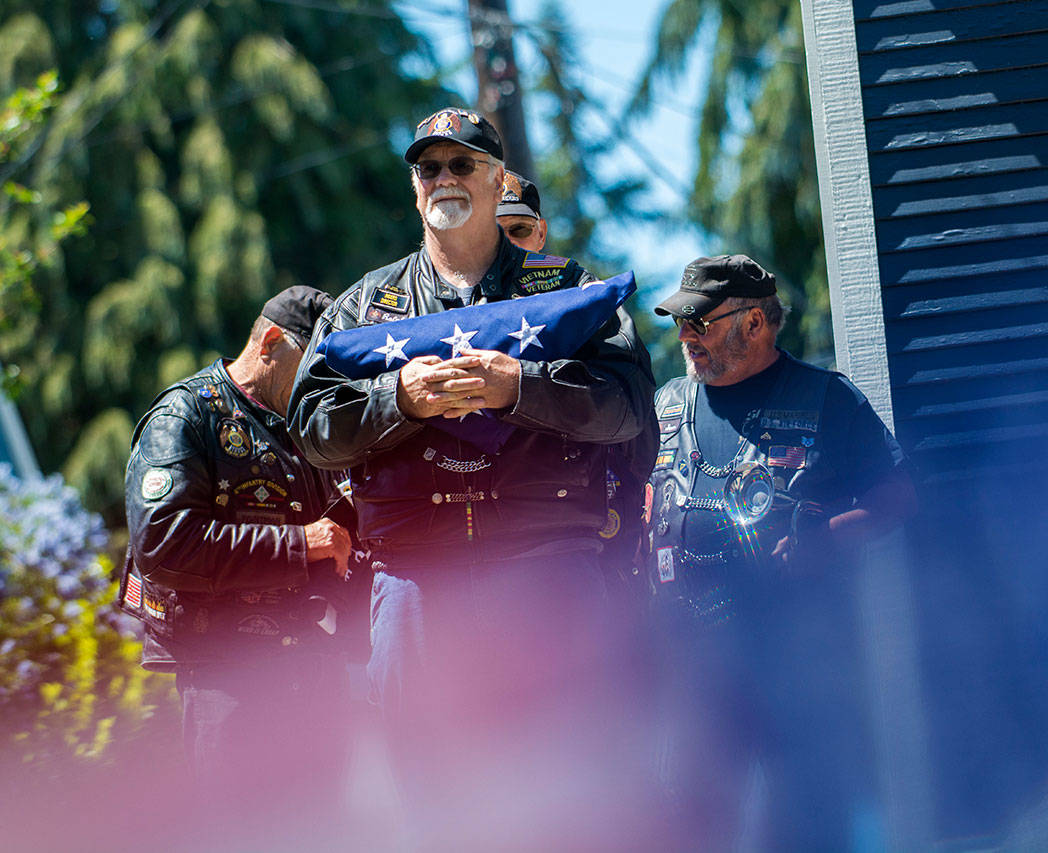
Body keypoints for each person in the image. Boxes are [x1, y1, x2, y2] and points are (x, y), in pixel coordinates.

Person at [288, 107, 657, 846]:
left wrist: (520, 385)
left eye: (462, 164)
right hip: (415, 581)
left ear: (498, 181)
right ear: (414, 187)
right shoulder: (363, 307)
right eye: (428, 168)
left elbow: (628, 408)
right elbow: (311, 428)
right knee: (435, 800)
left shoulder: (565, 289)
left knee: (575, 788)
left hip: (550, 570)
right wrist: (398, 398)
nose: (444, 179)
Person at [645, 255, 918, 850]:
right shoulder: (665, 403)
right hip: (693, 663)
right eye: (680, 322)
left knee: (800, 824)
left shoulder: (826, 397)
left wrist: (828, 536)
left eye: (700, 322)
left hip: (797, 658)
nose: (685, 336)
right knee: (693, 825)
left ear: (754, 322)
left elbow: (897, 493)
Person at [121, 286, 357, 833]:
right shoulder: (183, 416)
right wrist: (301, 543)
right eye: (313, 367)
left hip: (312, 672)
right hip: (227, 681)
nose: (320, 385)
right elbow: (162, 544)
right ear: (270, 342)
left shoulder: (301, 424)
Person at [496, 170, 658, 596]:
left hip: (589, 537)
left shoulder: (580, 297)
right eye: (495, 232)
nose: (508, 243)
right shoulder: (450, 313)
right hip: (490, 550)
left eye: (519, 230)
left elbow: (635, 414)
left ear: (541, 233)